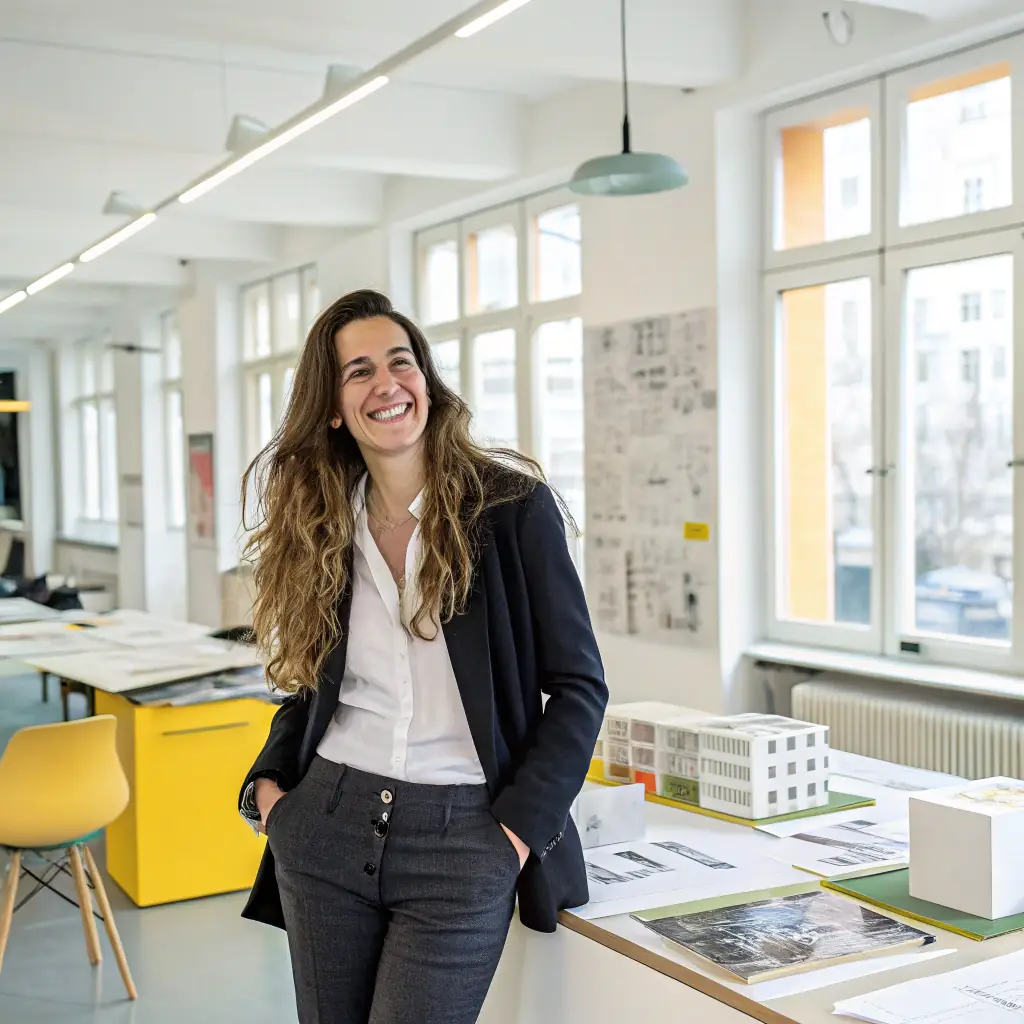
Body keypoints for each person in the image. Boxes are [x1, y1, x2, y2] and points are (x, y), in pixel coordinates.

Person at [238, 289, 607, 1024]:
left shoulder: (511, 510)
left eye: (400, 362)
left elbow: (578, 688)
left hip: (463, 841)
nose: (387, 383)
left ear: (427, 384)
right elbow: (311, 683)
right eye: (359, 370)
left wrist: (512, 836)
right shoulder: (321, 524)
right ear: (334, 408)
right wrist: (273, 792)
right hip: (326, 827)